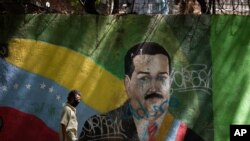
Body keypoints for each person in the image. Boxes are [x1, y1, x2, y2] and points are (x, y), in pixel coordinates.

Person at [79, 42, 204, 141]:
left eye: (162, 78)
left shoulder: (186, 136)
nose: (154, 87)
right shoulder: (98, 128)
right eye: (144, 78)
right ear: (128, 84)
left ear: (170, 83)